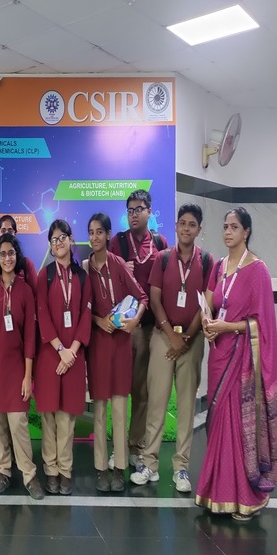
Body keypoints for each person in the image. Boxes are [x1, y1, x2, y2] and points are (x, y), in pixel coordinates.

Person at [197, 208, 277, 521]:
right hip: (218, 355)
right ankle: (215, 491)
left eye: (234, 227)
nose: (227, 232)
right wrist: (207, 323)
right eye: (225, 226)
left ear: (246, 232)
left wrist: (227, 328)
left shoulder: (256, 269)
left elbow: (263, 324)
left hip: (242, 359)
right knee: (218, 425)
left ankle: (245, 496)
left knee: (238, 426)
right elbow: (213, 304)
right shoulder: (218, 267)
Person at [131, 204, 213, 491]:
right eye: (182, 223)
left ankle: (181, 468)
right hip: (162, 337)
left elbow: (207, 305)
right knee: (156, 403)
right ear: (176, 227)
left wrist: (187, 338)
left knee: (187, 406)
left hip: (192, 341)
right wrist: (171, 335)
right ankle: (149, 463)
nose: (187, 228)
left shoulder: (208, 262)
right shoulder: (163, 258)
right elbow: (154, 299)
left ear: (199, 229)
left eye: (192, 224)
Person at [0, 233, 43, 500]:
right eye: (3, 254)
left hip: (17, 369)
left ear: (17, 257)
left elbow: (30, 337)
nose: (7, 258)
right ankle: (3, 471)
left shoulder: (26, 290)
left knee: (18, 423)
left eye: (11, 253)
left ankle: (29, 474)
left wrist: (28, 376)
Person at [86, 213, 147, 492]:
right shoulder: (85, 268)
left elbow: (142, 297)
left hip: (121, 345)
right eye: (91, 232)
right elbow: (80, 310)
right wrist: (99, 321)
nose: (95, 237)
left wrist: (134, 321)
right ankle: (100, 468)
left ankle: (120, 467)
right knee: (99, 409)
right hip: (98, 344)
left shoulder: (118, 264)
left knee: (120, 408)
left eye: (100, 232)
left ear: (109, 235)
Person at [109, 190, 167, 468]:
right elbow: (105, 286)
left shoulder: (160, 243)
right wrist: (123, 273)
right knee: (119, 389)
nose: (133, 214)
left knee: (141, 392)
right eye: (129, 210)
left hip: (147, 329)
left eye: (138, 209)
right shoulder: (117, 243)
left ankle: (135, 445)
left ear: (149, 211)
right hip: (121, 330)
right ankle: (117, 447)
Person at [36, 220, 92, 495]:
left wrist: (73, 350)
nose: (58, 244)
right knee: (48, 416)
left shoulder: (82, 277)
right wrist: (61, 349)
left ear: (71, 240)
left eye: (62, 238)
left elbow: (85, 314)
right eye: (53, 240)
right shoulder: (44, 276)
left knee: (67, 418)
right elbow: (42, 315)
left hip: (74, 355)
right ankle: (51, 470)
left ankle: (65, 471)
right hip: (50, 355)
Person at [0, 215, 38, 297]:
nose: (7, 234)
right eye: (3, 231)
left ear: (15, 234)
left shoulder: (26, 264)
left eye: (10, 231)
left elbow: (36, 295)